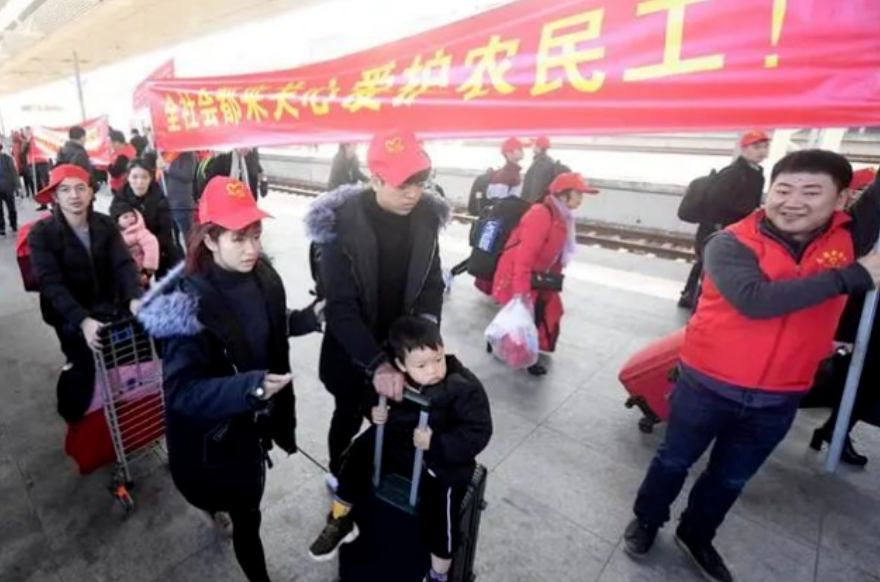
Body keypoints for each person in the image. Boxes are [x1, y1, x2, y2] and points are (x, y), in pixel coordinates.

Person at [623, 150, 880, 582]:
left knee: (730, 478)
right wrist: (853, 277)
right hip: (705, 384)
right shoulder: (729, 242)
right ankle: (647, 519)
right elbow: (755, 300)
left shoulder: (848, 238)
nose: (793, 201)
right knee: (673, 460)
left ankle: (696, 534)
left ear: (841, 200)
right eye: (784, 189)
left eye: (811, 192)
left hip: (780, 394)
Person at [138, 176, 324, 582]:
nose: (251, 248)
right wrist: (249, 387)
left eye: (256, 235)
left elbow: (263, 326)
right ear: (209, 239)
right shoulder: (186, 304)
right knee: (244, 514)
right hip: (217, 434)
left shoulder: (263, 277)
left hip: (253, 423)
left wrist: (307, 319)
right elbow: (181, 392)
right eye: (238, 238)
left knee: (247, 513)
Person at [304, 128, 447, 489]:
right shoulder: (339, 225)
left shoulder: (426, 218)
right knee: (349, 414)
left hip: (401, 346)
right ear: (375, 179)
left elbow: (431, 283)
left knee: (397, 418)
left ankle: (384, 470)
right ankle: (338, 469)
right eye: (403, 185)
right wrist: (377, 364)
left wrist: (424, 336)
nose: (414, 194)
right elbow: (340, 309)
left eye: (420, 182)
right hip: (353, 349)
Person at [307, 316, 493, 582]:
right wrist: (374, 412)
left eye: (438, 358)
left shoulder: (463, 387)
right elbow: (370, 396)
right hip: (399, 443)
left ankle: (438, 573)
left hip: (440, 459)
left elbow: (479, 431)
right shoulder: (394, 378)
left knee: (441, 508)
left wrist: (436, 443)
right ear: (401, 365)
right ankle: (340, 519)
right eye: (421, 365)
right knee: (359, 451)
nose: (434, 370)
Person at [28, 165, 143, 422]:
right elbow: (51, 283)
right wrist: (82, 320)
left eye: (80, 188)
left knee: (117, 357)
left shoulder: (105, 224)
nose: (74, 196)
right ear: (55, 196)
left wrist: (135, 297)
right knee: (81, 364)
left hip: (108, 306)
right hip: (68, 314)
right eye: (65, 190)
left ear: (91, 192)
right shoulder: (41, 234)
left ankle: (117, 409)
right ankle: (78, 415)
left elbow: (123, 264)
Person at [492, 172, 598, 375]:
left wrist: (551, 283)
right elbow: (524, 256)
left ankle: (515, 348)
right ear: (564, 194)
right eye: (578, 194)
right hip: (517, 273)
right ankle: (524, 359)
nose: (581, 199)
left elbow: (556, 255)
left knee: (538, 313)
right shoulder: (541, 214)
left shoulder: (563, 216)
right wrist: (521, 293)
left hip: (537, 275)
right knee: (525, 316)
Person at [809, 169, 880, 466]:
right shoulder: (866, 211)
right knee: (852, 373)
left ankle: (836, 428)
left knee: (865, 376)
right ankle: (835, 428)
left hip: (865, 304)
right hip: (860, 304)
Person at [678, 130, 770, 309]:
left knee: (709, 263)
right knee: (707, 263)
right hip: (717, 227)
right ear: (744, 149)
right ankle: (692, 297)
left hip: (732, 227)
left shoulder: (756, 173)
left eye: (765, 147)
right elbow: (716, 200)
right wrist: (750, 210)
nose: (762, 151)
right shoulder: (734, 172)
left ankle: (693, 296)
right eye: (756, 147)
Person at [110, 159, 182, 277]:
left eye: (144, 177)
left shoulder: (160, 199)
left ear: (150, 178)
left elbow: (165, 233)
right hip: (130, 253)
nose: (139, 182)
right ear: (128, 178)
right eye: (135, 177)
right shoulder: (119, 201)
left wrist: (149, 251)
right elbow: (114, 230)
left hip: (158, 248)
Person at [114, 203, 159, 287]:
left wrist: (147, 271)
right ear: (117, 220)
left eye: (132, 216)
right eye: (125, 217)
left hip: (139, 272)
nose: (130, 219)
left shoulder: (141, 233)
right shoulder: (115, 234)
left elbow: (151, 250)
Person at [160, 151, 198, 245]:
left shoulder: (186, 153)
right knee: (173, 237)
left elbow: (188, 174)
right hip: (167, 202)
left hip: (181, 203)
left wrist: (167, 167)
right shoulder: (163, 155)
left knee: (188, 235)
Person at [486, 138, 526, 203]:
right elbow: (497, 203)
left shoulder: (514, 173)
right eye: (519, 149)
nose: (522, 151)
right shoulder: (504, 175)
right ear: (508, 153)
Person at [521, 136, 559, 203]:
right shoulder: (546, 161)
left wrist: (532, 204)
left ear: (539, 147)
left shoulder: (541, 163)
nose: (532, 147)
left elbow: (536, 187)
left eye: (534, 144)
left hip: (535, 202)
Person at [108, 131, 137, 195]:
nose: (110, 145)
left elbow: (115, 173)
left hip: (121, 188)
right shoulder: (129, 149)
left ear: (117, 142)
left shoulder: (123, 156)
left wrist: (109, 166)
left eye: (111, 142)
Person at [0, 142, 19, 236]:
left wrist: (17, 186)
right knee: (6, 208)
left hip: (7, 187)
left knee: (11, 207)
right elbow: (14, 173)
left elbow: (14, 173)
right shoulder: (7, 158)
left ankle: (12, 224)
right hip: (7, 187)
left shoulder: (7, 158)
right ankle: (2, 227)